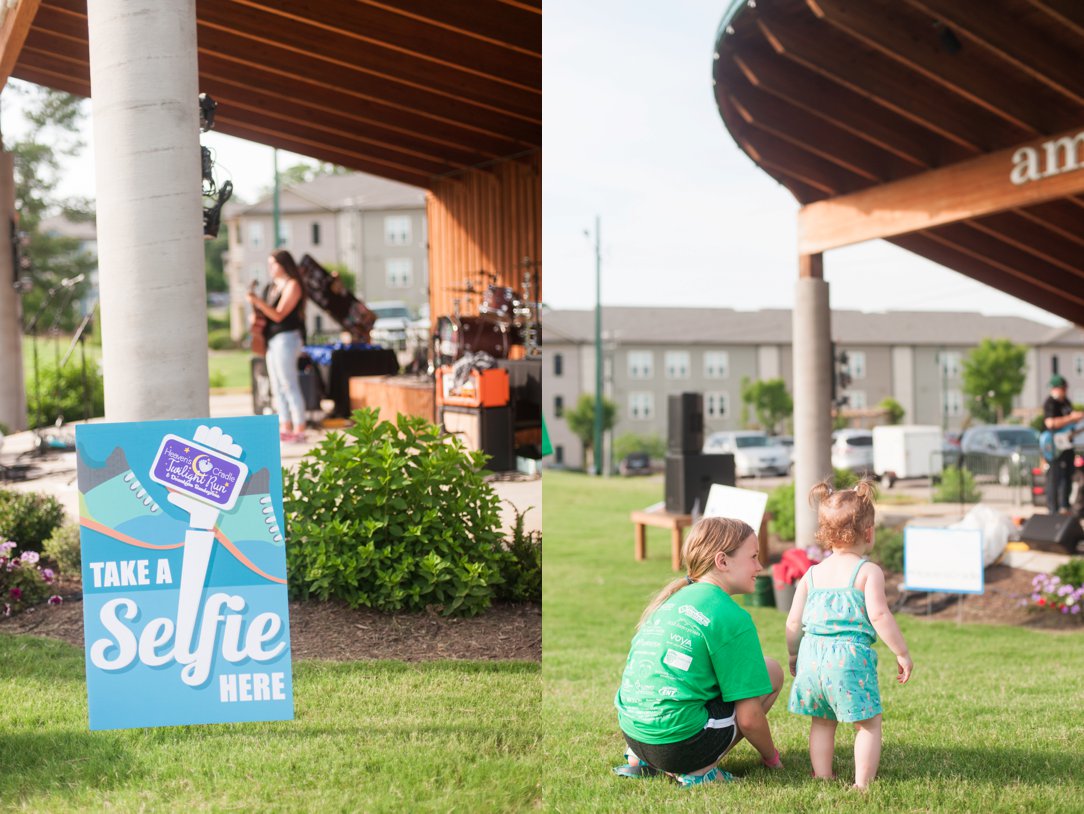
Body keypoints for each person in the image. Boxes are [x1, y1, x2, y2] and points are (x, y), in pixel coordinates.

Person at [613, 517, 784, 787]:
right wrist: (772, 758)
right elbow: (750, 719)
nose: (759, 566)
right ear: (722, 561)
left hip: (634, 734)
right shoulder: (731, 616)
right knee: (772, 671)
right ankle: (698, 770)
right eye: (753, 557)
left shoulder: (671, 601)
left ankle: (640, 760)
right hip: (678, 746)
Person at [785, 480, 913, 790]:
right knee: (868, 724)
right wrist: (901, 652)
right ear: (868, 533)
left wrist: (793, 654)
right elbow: (879, 615)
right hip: (848, 659)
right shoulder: (867, 572)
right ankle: (862, 784)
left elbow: (794, 621)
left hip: (811, 656)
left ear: (825, 533)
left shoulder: (812, 574)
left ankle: (823, 774)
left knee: (822, 721)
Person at [247, 249, 308, 442]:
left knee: (289, 383)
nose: (270, 268)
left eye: (274, 264)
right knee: (276, 385)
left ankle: (299, 427)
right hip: (271, 340)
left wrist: (258, 302)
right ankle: (285, 426)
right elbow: (266, 315)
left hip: (287, 338)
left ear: (284, 264)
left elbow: (279, 315)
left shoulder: (293, 285)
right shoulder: (270, 287)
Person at [1043, 374, 1083, 515]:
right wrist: (1070, 418)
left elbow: (1071, 423)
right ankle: (1053, 509)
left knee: (1068, 476)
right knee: (1054, 478)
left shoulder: (1066, 402)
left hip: (1067, 445)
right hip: (1055, 446)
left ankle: (1065, 506)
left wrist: (1077, 418)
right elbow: (1050, 423)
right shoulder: (1050, 403)